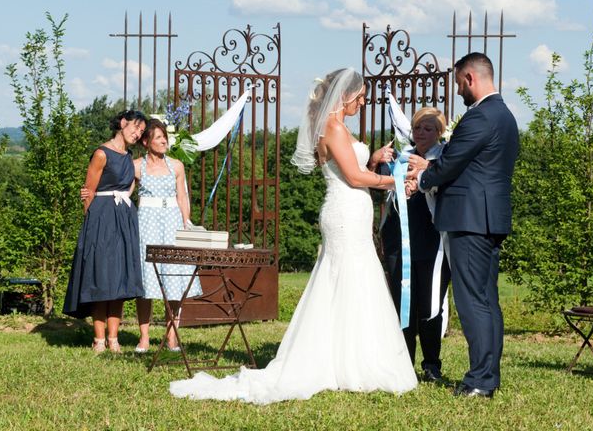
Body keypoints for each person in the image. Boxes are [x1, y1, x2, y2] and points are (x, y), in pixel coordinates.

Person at [169, 68, 417, 404]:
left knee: (350, 279)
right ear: (344, 95)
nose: (362, 103)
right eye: (359, 97)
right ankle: (352, 361)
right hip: (345, 211)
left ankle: (348, 356)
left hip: (349, 210)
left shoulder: (334, 127)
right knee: (350, 275)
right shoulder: (333, 127)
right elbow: (356, 180)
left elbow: (353, 171)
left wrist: (372, 161)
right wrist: (396, 183)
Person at [407, 52, 519, 398]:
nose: (458, 91)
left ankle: (480, 381)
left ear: (470, 78)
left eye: (458, 83)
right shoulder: (505, 116)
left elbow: (451, 163)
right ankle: (488, 376)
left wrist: (423, 178)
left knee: (472, 301)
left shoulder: (479, 117)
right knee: (486, 299)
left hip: (470, 219)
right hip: (489, 218)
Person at [64, 110, 147, 353]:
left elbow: (130, 186)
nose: (137, 133)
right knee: (102, 278)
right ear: (122, 123)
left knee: (119, 281)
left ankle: (114, 338)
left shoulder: (129, 157)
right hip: (102, 220)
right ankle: (99, 339)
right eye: (135, 127)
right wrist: (92, 228)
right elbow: (88, 193)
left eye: (141, 131)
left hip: (124, 219)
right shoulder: (101, 154)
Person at [377, 107, 451, 384]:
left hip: (432, 240)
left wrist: (422, 180)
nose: (421, 133)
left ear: (439, 133)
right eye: (418, 127)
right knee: (403, 303)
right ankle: (404, 362)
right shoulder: (399, 157)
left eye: (428, 128)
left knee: (430, 305)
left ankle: (432, 365)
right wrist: (379, 166)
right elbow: (375, 184)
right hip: (399, 239)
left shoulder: (444, 158)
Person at [133, 119, 202, 353]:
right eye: (158, 137)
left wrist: (185, 223)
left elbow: (182, 197)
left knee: (173, 277)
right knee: (146, 278)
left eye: (165, 137)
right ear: (146, 142)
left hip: (172, 221)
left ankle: (172, 335)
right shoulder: (136, 166)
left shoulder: (177, 166)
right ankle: (144, 337)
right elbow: (123, 193)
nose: (164, 141)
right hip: (147, 223)